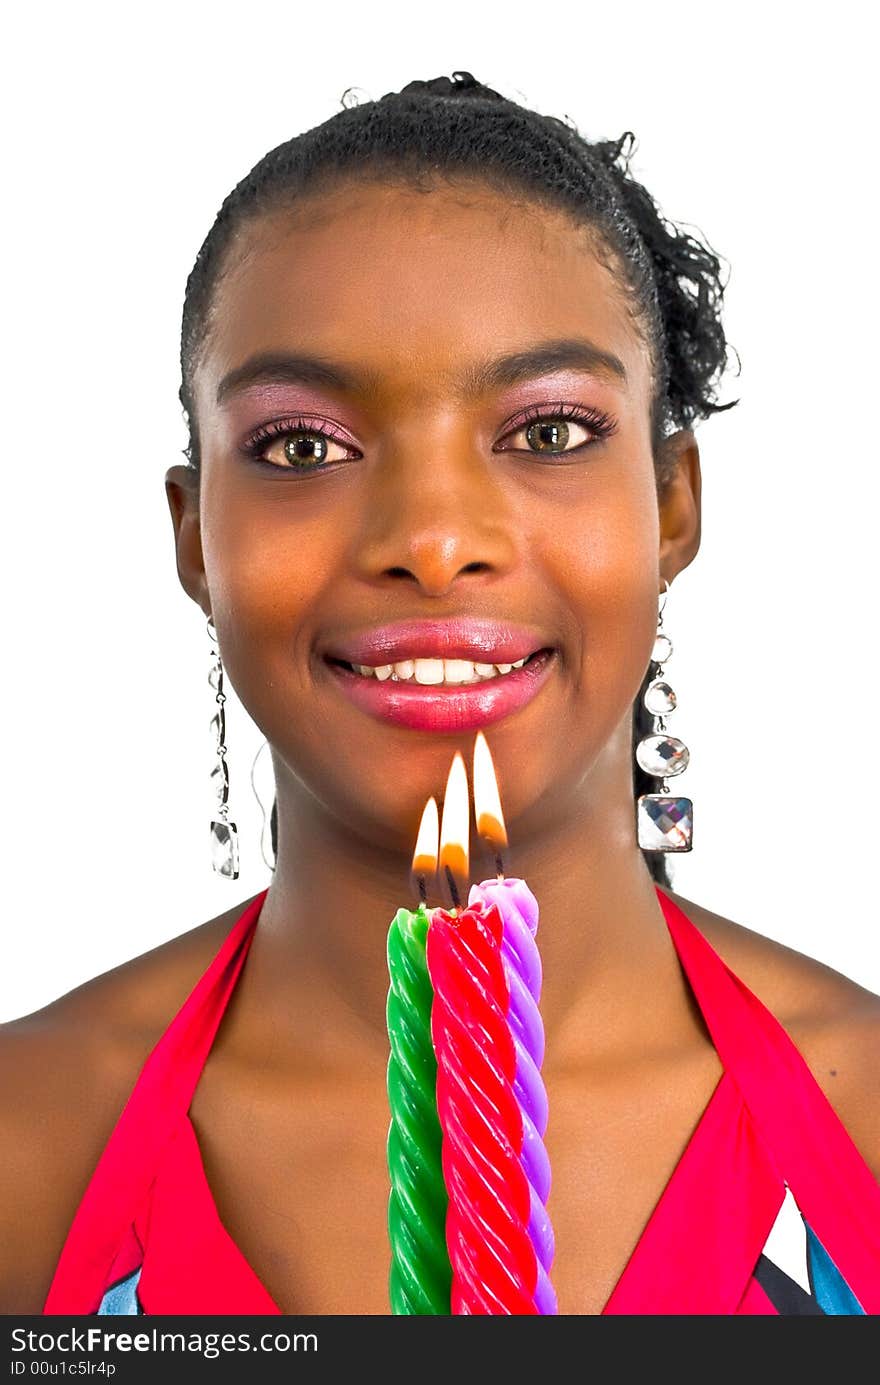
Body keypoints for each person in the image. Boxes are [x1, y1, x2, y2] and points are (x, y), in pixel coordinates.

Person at [2, 72, 878, 1318]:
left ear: (673, 504)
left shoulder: (863, 1125)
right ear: (196, 539)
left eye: (548, 431)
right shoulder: (28, 1150)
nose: (432, 536)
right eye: (303, 446)